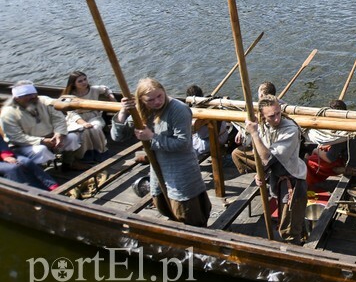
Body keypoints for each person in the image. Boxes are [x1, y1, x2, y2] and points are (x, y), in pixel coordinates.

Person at [111, 78, 210, 227]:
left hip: (180, 167)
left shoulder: (178, 109)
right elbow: (118, 136)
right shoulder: (142, 110)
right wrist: (123, 112)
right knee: (163, 203)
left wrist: (151, 137)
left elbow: (183, 143)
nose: (157, 102)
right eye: (150, 100)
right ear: (142, 100)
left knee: (187, 208)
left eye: (160, 96)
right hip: (158, 167)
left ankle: (198, 237)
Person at [244, 95, 307, 244]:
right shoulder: (263, 126)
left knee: (289, 228)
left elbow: (266, 158)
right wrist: (261, 173)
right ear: (263, 116)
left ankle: (294, 253)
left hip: (293, 180)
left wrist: (254, 133)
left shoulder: (290, 129)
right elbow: (262, 158)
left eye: (278, 113)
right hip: (277, 177)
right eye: (271, 116)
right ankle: (299, 234)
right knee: (289, 219)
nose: (277, 119)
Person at [1, 80, 86, 170]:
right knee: (41, 150)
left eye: (34, 94)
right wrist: (42, 141)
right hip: (26, 145)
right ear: (17, 98)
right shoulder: (8, 113)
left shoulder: (44, 101)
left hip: (52, 137)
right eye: (27, 95)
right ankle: (39, 173)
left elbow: (58, 119)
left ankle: (69, 164)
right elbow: (16, 137)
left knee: (72, 138)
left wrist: (59, 134)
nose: (33, 97)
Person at [62, 71, 114, 163]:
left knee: (95, 128)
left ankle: (100, 152)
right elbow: (71, 113)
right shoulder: (70, 95)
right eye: (80, 81)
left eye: (85, 79)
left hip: (93, 115)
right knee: (83, 131)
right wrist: (83, 122)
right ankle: (85, 155)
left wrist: (111, 96)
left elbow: (105, 89)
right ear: (74, 84)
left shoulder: (93, 89)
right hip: (76, 119)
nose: (84, 82)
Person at [232, 81, 279, 174]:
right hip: (266, 147)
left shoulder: (265, 111)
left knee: (236, 153)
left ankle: (263, 169)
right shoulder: (276, 104)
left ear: (261, 95)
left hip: (268, 150)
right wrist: (240, 131)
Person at [305, 99, 351, 189]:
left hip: (347, 162)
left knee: (309, 161)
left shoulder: (341, 133)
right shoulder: (348, 124)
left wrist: (315, 150)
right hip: (345, 153)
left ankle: (311, 184)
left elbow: (329, 159)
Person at [185, 85, 230, 157]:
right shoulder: (212, 102)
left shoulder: (195, 113)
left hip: (211, 141)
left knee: (185, 148)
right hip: (224, 135)